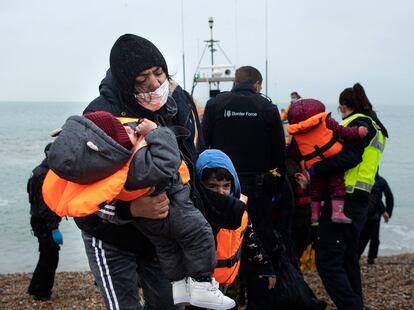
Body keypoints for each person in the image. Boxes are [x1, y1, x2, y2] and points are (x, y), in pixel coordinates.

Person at [67, 34, 243, 310]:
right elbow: (80, 196)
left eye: (158, 73)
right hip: (111, 236)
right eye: (141, 80)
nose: (155, 84)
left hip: (162, 236)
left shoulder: (179, 102)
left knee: (169, 304)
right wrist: (131, 209)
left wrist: (217, 205)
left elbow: (192, 163)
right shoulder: (101, 116)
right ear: (126, 83)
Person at [43, 111, 235, 309]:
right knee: (199, 235)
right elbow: (168, 159)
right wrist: (157, 132)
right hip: (173, 209)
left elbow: (96, 203)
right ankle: (203, 284)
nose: (129, 127)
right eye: (124, 131)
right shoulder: (138, 165)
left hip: (148, 225)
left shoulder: (104, 172)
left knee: (167, 248)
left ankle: (179, 287)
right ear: (113, 148)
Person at [202, 66, 286, 308]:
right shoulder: (267, 108)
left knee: (221, 244)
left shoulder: (215, 105)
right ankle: (258, 300)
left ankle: (225, 295)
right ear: (257, 84)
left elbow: (203, 147)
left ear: (235, 82)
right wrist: (276, 190)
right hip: (257, 190)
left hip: (220, 189)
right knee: (256, 240)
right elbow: (279, 156)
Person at [313, 83, 388, 310]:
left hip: (343, 200)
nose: (340, 114)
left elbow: (351, 158)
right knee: (347, 259)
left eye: (340, 109)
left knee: (327, 260)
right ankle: (356, 304)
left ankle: (351, 306)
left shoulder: (360, 124)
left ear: (346, 106)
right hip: (359, 202)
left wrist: (317, 169)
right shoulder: (377, 127)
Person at [195, 149, 276, 304]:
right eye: (212, 186)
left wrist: (265, 267)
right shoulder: (195, 212)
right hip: (199, 289)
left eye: (226, 185)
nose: (221, 192)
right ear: (200, 185)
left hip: (229, 284)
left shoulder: (239, 210)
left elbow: (251, 243)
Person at [287, 98, 369, 224]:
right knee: (337, 186)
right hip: (332, 159)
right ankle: (337, 213)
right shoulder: (325, 120)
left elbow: (294, 155)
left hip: (314, 165)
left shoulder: (297, 134)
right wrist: (357, 132)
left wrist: (295, 171)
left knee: (315, 189)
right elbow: (342, 131)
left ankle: (314, 214)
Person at [27, 143, 62, 301]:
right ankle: (42, 292)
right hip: (44, 223)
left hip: (37, 220)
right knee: (50, 257)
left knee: (45, 254)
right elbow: (44, 206)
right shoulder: (45, 175)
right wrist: (54, 228)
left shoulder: (37, 171)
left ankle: (34, 287)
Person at [358, 173, 394, 265]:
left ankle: (371, 259)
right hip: (362, 214)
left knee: (374, 239)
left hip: (374, 216)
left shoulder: (381, 181)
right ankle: (356, 257)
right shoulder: (364, 180)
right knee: (362, 238)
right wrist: (384, 211)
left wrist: (388, 212)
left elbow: (389, 197)